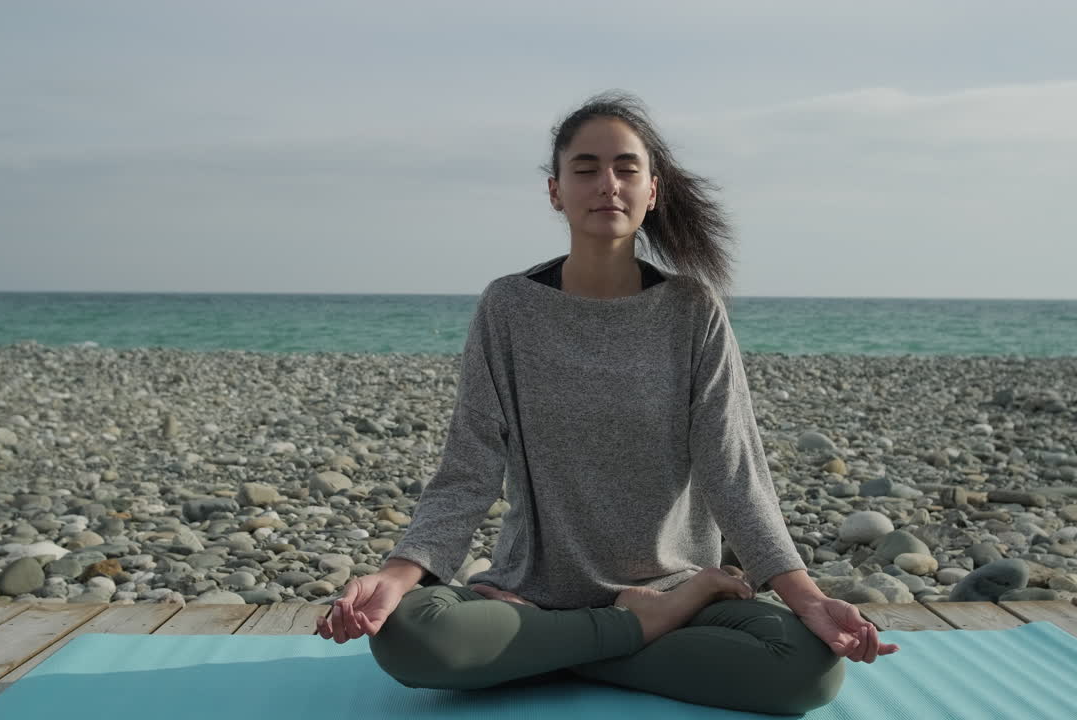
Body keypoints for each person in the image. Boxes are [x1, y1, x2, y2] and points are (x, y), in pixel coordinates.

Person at [317, 91, 900, 715]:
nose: (608, 184)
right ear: (555, 191)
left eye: (627, 168)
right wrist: (395, 576)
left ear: (653, 191)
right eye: (586, 168)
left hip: (677, 592)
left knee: (808, 672)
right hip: (530, 597)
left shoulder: (692, 310)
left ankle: (556, 651)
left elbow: (734, 472)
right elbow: (468, 471)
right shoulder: (509, 308)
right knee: (410, 637)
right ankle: (631, 631)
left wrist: (807, 599)